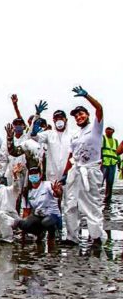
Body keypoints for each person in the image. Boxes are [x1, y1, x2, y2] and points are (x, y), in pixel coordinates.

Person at [62, 86, 107, 245]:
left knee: (92, 205)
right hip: (75, 171)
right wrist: (65, 174)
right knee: (70, 204)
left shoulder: (95, 128)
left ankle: (97, 237)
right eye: (76, 116)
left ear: (87, 114)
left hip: (90, 171)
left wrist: (86, 95)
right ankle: (71, 237)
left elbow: (99, 108)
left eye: (81, 114)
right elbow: (71, 156)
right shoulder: (75, 135)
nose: (78, 117)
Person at [18, 166, 63, 241]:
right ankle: (39, 233)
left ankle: (54, 235)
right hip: (39, 216)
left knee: (46, 222)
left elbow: (57, 195)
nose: (33, 175)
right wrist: (23, 232)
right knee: (23, 223)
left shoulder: (47, 185)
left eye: (35, 173)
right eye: (31, 174)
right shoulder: (27, 191)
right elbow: (26, 212)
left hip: (52, 215)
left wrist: (57, 191)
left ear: (40, 175)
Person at [102, 127, 123, 202]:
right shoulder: (103, 138)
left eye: (110, 129)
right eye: (107, 129)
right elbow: (99, 150)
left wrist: (119, 164)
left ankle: (107, 199)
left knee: (110, 182)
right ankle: (96, 198)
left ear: (113, 131)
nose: (108, 130)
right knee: (100, 181)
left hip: (112, 164)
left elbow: (117, 153)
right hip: (104, 163)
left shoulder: (115, 141)